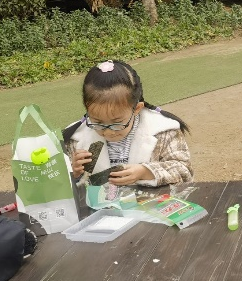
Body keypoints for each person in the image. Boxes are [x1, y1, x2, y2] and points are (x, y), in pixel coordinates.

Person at [63, 60, 193, 187]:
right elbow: (60, 184)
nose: (108, 132)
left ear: (136, 109)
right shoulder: (76, 139)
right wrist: (74, 173)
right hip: (102, 202)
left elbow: (184, 171)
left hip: (150, 200)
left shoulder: (163, 131)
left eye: (117, 122)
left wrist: (145, 172)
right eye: (97, 122)